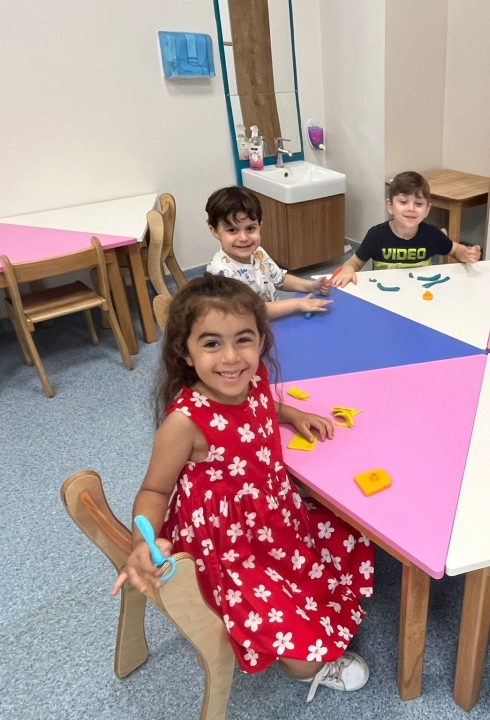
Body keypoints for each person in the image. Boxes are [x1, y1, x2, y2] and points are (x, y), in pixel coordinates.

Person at [112, 274, 374, 702]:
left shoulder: (253, 380)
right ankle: (313, 662)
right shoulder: (184, 422)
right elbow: (155, 491)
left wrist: (291, 414)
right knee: (303, 657)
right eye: (212, 343)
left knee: (355, 533)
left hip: (277, 519)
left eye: (244, 340)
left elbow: (261, 402)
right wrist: (141, 542)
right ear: (186, 352)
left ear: (261, 341)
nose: (232, 358)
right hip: (229, 548)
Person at [331, 171, 481, 287]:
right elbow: (354, 262)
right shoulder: (376, 235)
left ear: (427, 209)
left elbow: (455, 250)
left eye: (418, 204)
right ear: (390, 206)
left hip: (421, 293)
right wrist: (348, 270)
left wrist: (466, 253)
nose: (411, 208)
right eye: (403, 202)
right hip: (385, 295)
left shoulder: (431, 234)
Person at [205, 186, 333, 319]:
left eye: (250, 228)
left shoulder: (257, 252)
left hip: (274, 320)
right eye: (232, 230)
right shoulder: (220, 272)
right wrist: (297, 304)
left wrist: (310, 286)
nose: (243, 238)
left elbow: (279, 279)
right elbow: (250, 311)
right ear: (214, 231)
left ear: (260, 225)